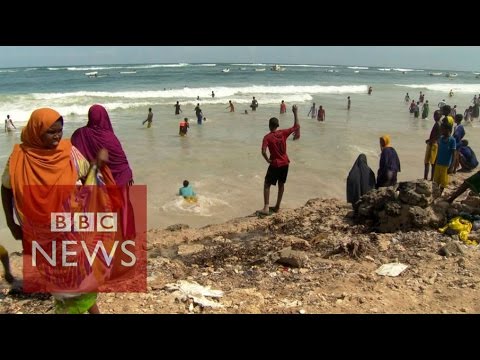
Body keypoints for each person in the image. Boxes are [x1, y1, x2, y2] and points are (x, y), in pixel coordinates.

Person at [1, 108, 115, 313]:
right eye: (50, 132)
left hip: (69, 227)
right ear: (36, 131)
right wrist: (11, 223)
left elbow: (87, 178)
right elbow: (6, 188)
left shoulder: (69, 152)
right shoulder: (19, 157)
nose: (57, 136)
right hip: (39, 231)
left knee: (77, 276)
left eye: (59, 131)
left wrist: (97, 166)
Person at [71, 104, 136, 242]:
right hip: (119, 177)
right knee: (123, 205)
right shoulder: (109, 137)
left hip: (94, 178)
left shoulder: (80, 134)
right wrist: (128, 175)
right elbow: (120, 159)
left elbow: (75, 155)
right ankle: (127, 236)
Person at [258, 105, 300, 215]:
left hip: (275, 164)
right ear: (277, 125)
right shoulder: (283, 133)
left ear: (269, 126)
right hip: (285, 163)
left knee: (267, 184)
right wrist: (295, 112)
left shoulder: (267, 137)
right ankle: (277, 206)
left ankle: (266, 208)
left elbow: (263, 151)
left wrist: (267, 160)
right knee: (281, 185)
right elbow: (296, 126)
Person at [433, 122, 456, 195]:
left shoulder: (452, 140)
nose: (441, 131)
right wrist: (435, 162)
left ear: (447, 130)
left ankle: (440, 193)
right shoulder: (440, 139)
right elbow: (438, 151)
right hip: (438, 163)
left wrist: (451, 166)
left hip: (446, 165)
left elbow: (454, 154)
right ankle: (435, 193)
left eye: (442, 130)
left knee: (443, 181)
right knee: (436, 180)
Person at [424, 110, 441, 181]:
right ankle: (429, 178)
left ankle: (428, 178)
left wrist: (429, 141)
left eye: (436, 115)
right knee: (430, 162)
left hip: (433, 144)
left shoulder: (437, 124)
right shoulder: (439, 123)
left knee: (429, 162)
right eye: (434, 115)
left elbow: (436, 136)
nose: (435, 117)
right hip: (434, 144)